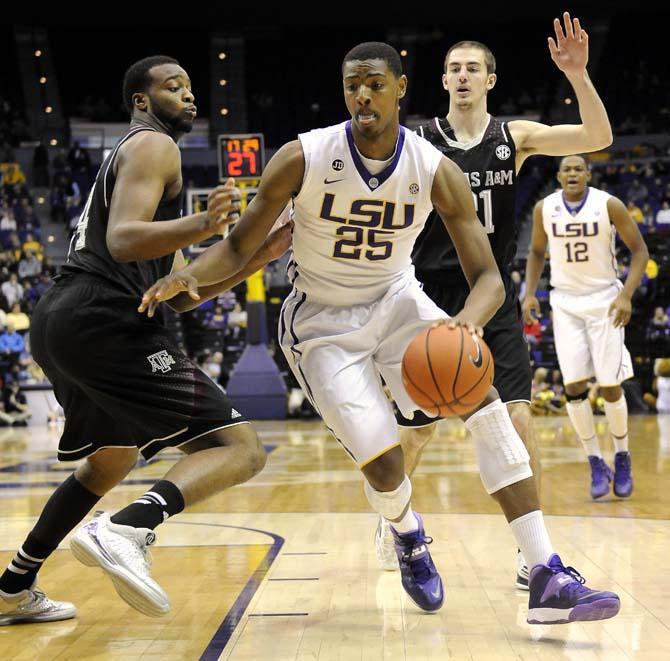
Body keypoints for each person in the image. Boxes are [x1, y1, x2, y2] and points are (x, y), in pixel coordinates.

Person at [139, 42, 620, 625]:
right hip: (320, 323)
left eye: (374, 84)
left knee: (489, 408)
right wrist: (189, 273)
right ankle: (407, 532)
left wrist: (467, 320)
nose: (362, 95)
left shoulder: (433, 168)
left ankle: (545, 573)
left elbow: (489, 276)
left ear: (400, 88)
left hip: (397, 302)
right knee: (387, 467)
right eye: (352, 86)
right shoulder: (303, 156)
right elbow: (241, 247)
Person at [0, 55, 291, 626]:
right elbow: (126, 238)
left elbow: (180, 292)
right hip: (104, 317)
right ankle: (128, 528)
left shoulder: (140, 163)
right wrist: (206, 225)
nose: (188, 96)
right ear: (141, 100)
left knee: (109, 460)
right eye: (172, 86)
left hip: (65, 320)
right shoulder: (155, 146)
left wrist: (257, 256)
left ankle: (13, 586)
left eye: (190, 87)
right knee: (240, 448)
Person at [384, 12, 613, 589]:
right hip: (429, 292)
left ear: (490, 79)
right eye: (454, 68)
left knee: (517, 419)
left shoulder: (514, 136)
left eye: (473, 69)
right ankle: (397, 526)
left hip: (493, 290)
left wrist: (578, 76)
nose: (462, 76)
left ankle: (530, 554)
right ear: (442, 81)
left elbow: (598, 138)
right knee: (417, 430)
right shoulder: (418, 141)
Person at [523, 154, 648, 500]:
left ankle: (621, 455)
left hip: (604, 300)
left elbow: (640, 252)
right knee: (574, 387)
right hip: (565, 302)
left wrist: (626, 295)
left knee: (610, 386)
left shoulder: (609, 205)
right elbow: (535, 252)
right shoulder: (543, 209)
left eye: (579, 168)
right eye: (567, 169)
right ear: (559, 176)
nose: (573, 173)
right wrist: (529, 294)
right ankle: (595, 461)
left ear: (588, 174)